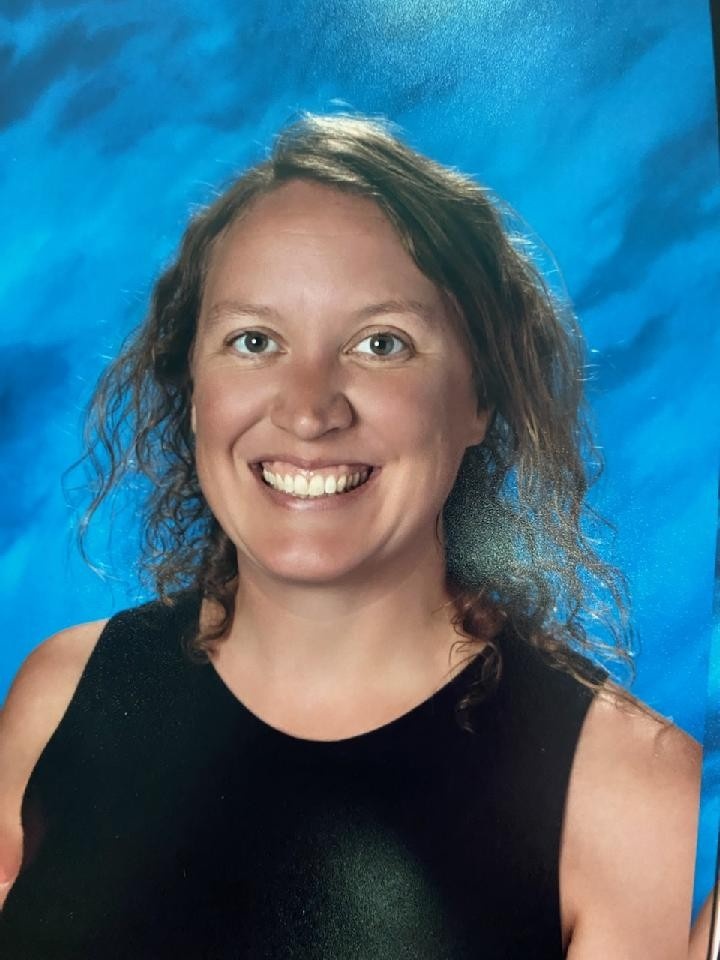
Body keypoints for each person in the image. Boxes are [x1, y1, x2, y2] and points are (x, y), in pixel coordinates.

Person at [0, 113, 701, 958]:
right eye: (254, 340)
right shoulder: (59, 698)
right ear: (192, 389)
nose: (308, 410)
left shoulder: (627, 789)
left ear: (480, 398)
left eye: (381, 343)